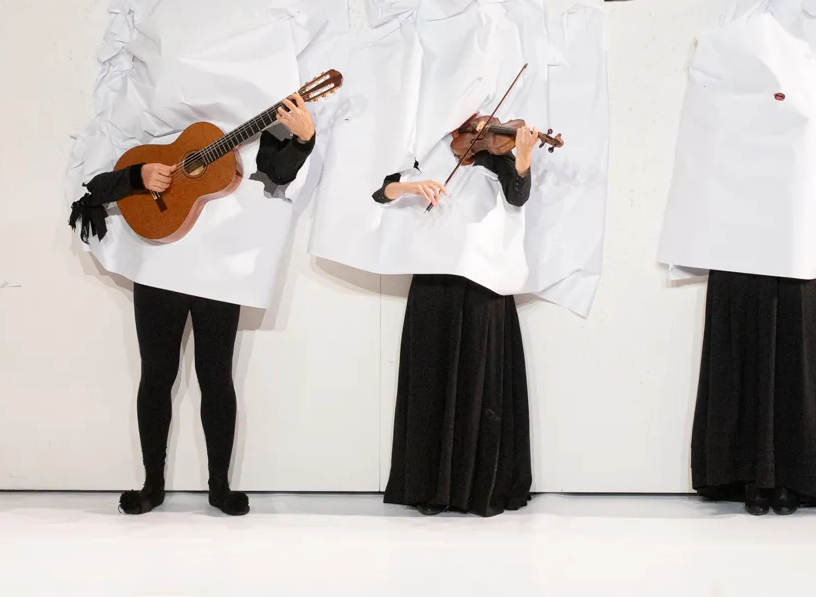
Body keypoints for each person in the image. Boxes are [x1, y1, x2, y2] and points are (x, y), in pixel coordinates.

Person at [67, 95, 316, 517]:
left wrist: (304, 141)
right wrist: (138, 175)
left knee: (216, 376)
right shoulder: (151, 120)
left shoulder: (253, 129)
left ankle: (220, 487)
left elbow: (280, 173)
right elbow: (96, 185)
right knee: (156, 375)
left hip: (219, 269)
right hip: (159, 267)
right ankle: (152, 485)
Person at [374, 121, 537, 516]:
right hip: (433, 279)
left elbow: (517, 196)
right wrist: (412, 187)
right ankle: (430, 487)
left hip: (482, 281)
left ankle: (474, 486)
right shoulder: (425, 151)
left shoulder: (495, 158)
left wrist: (524, 156)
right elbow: (382, 191)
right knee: (430, 379)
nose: (478, 128)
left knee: (479, 382)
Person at [690, 267, 816, 516]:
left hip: (795, 258)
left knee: (795, 352)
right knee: (744, 351)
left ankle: (791, 477)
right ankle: (751, 476)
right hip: (737, 258)